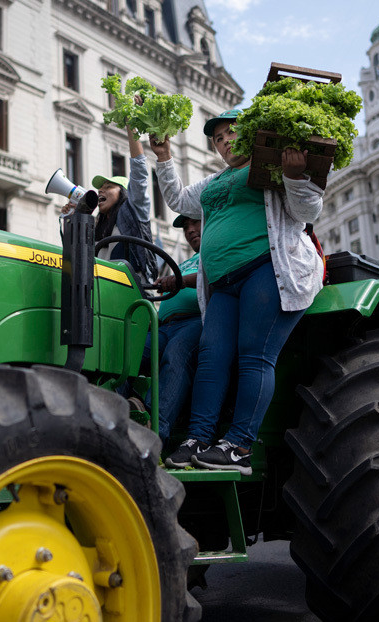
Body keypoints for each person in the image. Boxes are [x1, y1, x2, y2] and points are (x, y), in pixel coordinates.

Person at [151, 109, 324, 475]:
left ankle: (239, 446)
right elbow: (180, 201)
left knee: (254, 358)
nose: (226, 141)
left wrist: (294, 175)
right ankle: (197, 438)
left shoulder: (271, 166)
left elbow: (306, 209)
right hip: (223, 285)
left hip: (267, 271)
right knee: (211, 359)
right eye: (218, 138)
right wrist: (164, 157)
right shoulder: (213, 182)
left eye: (232, 132)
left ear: (251, 135)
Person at [144, 215, 203, 445]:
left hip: (196, 321)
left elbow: (213, 277)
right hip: (164, 325)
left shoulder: (216, 253)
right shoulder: (185, 261)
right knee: (129, 351)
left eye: (195, 223)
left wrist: (179, 281)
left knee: (176, 354)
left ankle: (154, 432)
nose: (189, 230)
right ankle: (121, 411)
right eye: (186, 227)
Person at [88, 124, 160, 283]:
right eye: (100, 189)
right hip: (103, 290)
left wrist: (132, 128)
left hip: (131, 288)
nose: (101, 191)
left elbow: (139, 175)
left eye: (108, 187)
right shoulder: (98, 224)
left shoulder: (133, 210)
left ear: (123, 192)